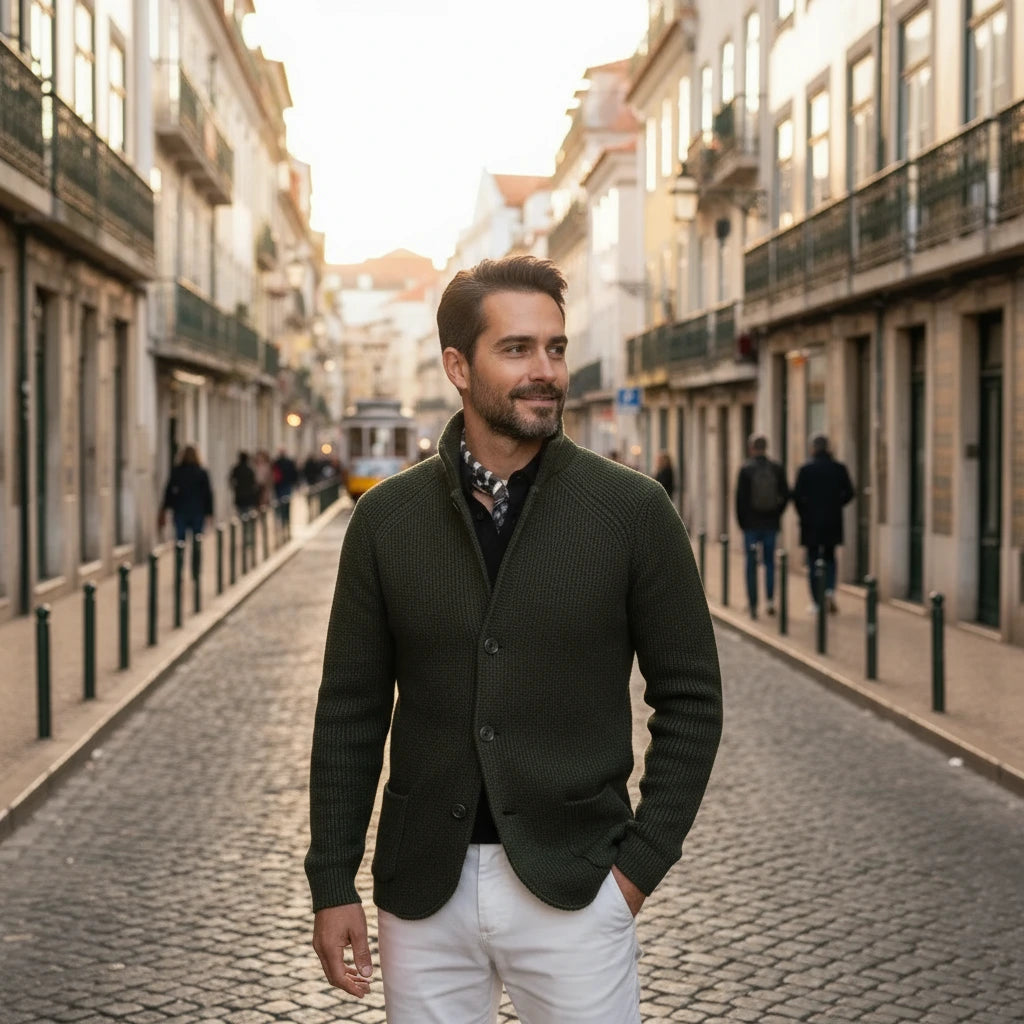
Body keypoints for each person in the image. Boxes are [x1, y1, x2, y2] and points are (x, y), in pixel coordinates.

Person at [305, 256, 723, 1024]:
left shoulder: (632, 511)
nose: (546, 371)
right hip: (422, 892)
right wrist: (332, 881)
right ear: (458, 366)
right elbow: (350, 712)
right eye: (518, 349)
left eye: (555, 347)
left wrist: (636, 870)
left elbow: (691, 700)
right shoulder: (387, 521)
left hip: (577, 886)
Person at [792, 434, 855, 613]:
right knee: (830, 558)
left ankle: (815, 601)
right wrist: (836, 505)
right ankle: (829, 591)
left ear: (813, 448)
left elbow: (796, 497)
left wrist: (804, 514)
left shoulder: (805, 469)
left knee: (813, 561)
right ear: (828, 448)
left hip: (811, 522)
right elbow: (850, 492)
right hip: (832, 520)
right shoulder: (839, 468)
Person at [734, 434, 789, 618]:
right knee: (770, 563)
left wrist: (742, 522)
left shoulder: (746, 469)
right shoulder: (776, 468)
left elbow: (740, 499)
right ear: (766, 448)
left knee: (751, 564)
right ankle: (770, 601)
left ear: (751, 448)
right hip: (770, 523)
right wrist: (777, 513)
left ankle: (752, 603)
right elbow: (786, 494)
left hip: (751, 524)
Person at [158, 445, 213, 542]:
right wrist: (209, 513)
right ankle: (196, 557)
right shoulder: (201, 472)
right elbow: (208, 494)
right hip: (197, 511)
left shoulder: (177, 472)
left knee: (180, 540)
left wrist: (165, 508)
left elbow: (169, 492)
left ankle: (180, 557)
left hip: (180, 510)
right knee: (197, 540)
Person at [272, 449, 299, 526]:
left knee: (281, 502)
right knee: (286, 501)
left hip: (280, 485)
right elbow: (294, 473)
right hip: (285, 485)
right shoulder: (288, 462)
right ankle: (286, 517)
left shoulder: (277, 463)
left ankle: (282, 517)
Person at [228, 451, 260, 516]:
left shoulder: (236, 469)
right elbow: (254, 483)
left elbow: (231, 480)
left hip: (240, 496)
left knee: (241, 514)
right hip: (248, 496)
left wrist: (234, 487)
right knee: (248, 514)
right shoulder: (250, 470)